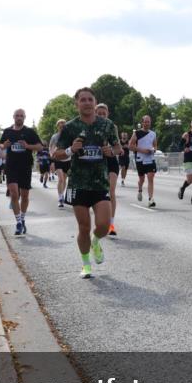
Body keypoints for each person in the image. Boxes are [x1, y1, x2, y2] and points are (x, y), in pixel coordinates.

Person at [51, 88, 120, 279]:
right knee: (83, 227)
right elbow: (56, 153)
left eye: (90, 99)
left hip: (100, 183)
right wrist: (70, 151)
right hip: (78, 184)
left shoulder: (107, 125)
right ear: (77, 104)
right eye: (83, 100)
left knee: (104, 225)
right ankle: (86, 264)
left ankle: (96, 242)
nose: (87, 103)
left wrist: (111, 152)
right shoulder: (70, 127)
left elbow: (118, 148)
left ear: (95, 102)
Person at [0, 109, 43, 235]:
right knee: (14, 194)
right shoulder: (7, 131)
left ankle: (23, 219)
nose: (19, 118)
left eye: (21, 116)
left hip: (25, 167)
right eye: (17, 116)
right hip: (11, 166)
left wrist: (28, 146)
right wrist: (4, 146)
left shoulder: (29, 132)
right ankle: (18, 222)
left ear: (24, 117)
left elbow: (40, 146)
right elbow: (1, 144)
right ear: (13, 117)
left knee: (25, 196)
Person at [95, 103, 122, 236]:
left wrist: (110, 150)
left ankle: (111, 224)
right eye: (98, 113)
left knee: (111, 191)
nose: (101, 116)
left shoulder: (112, 127)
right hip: (95, 162)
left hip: (110, 160)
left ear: (107, 114)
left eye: (103, 113)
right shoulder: (89, 126)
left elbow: (119, 148)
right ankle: (100, 222)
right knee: (98, 193)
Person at [129, 115, 158, 207]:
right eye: (145, 122)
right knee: (142, 179)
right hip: (140, 159)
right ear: (142, 123)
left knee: (151, 177)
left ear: (150, 123)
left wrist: (153, 150)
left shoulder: (153, 134)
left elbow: (155, 146)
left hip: (150, 158)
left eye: (148, 122)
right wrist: (142, 151)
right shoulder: (137, 133)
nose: (146, 123)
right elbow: (130, 146)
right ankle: (140, 190)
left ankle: (151, 199)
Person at [49, 119, 70, 208]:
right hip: (57, 159)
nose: (62, 125)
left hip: (68, 159)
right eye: (60, 124)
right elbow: (51, 147)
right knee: (61, 179)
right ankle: (60, 198)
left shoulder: (69, 136)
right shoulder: (55, 136)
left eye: (64, 124)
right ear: (57, 126)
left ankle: (62, 194)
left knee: (64, 180)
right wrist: (52, 157)